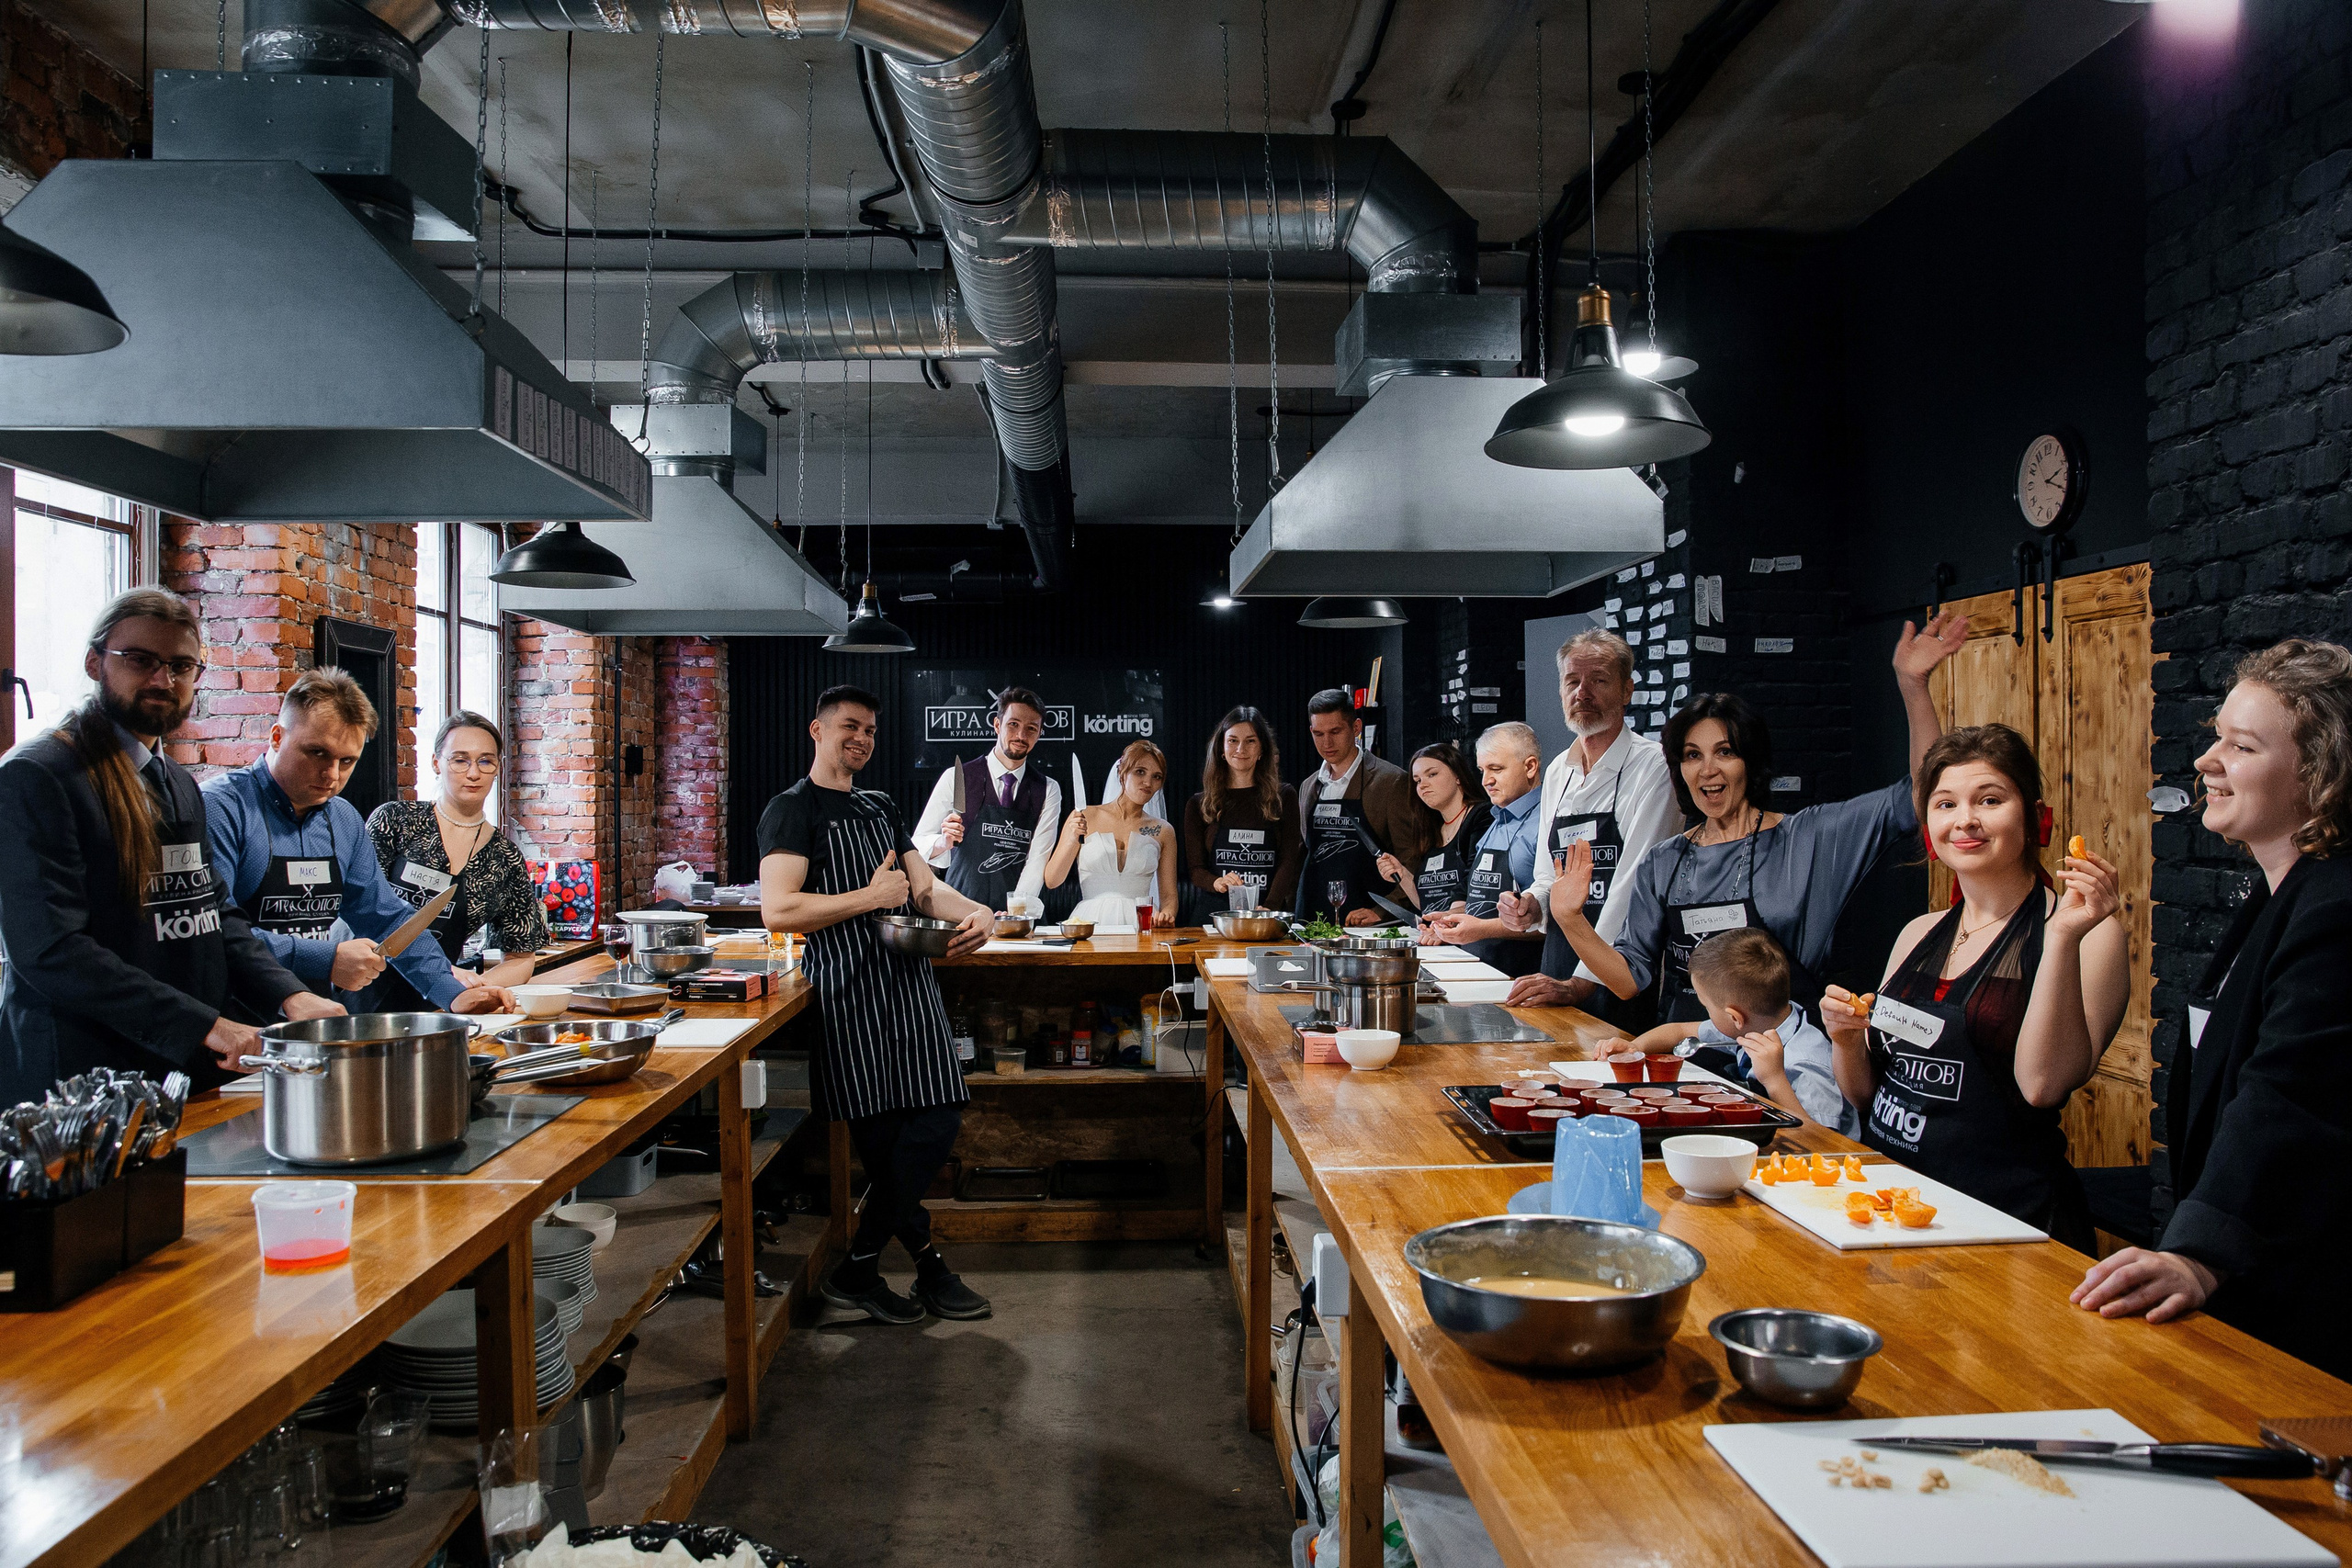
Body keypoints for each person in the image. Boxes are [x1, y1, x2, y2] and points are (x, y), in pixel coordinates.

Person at [2071, 640, 2352, 1377]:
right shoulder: (2276, 894)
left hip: (2309, 1308)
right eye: (2216, 736)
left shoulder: (2335, 906)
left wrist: (2199, 1254)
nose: (2206, 760)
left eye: (2242, 744)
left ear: (2321, 776)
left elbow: (2289, 1097)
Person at [0, 591, 342, 1103]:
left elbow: (214, 913)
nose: (164, 680)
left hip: (177, 1069)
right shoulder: (36, 775)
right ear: (95, 662)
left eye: (181, 665)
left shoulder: (179, 783)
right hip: (81, 1083)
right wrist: (207, 1025)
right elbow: (51, 951)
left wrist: (289, 993)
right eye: (141, 660)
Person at [1550, 614, 1965, 1024]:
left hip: (1780, 1064)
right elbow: (1627, 981)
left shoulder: (1806, 839)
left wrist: (1913, 687)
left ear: (1750, 761)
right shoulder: (1664, 861)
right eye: (1693, 755)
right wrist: (1570, 919)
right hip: (1687, 1055)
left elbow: (1920, 796)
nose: (1707, 769)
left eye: (1725, 752)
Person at [1810, 725, 2125, 1246]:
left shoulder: (2086, 935)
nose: (1966, 821)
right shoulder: (1918, 932)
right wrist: (1844, 1037)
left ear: (2032, 815)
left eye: (1990, 800)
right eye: (1946, 804)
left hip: (2008, 1223)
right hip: (1894, 1207)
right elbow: (1869, 1094)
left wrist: (2064, 936)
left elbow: (2043, 1086)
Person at [759, 683, 995, 1325]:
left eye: (869, 729)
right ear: (817, 729)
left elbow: (922, 890)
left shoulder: (881, 804)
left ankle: (861, 1264)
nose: (861, 737)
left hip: (910, 984)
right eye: (849, 726)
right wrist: (868, 897)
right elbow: (778, 908)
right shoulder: (791, 810)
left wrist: (979, 912)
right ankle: (926, 1265)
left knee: (939, 1119)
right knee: (888, 1141)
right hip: (848, 994)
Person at [201, 669, 514, 1017]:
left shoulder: (343, 819)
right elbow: (212, 932)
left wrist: (450, 992)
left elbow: (386, 917)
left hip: (317, 1019)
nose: (332, 775)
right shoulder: (220, 808)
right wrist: (326, 957)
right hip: (232, 1021)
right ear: (277, 737)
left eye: (346, 761)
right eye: (317, 753)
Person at [1500, 629, 1680, 1020]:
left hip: (1620, 968)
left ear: (1627, 690)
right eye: (1572, 682)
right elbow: (1549, 875)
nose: (1582, 693)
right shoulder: (1557, 772)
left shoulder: (1654, 767)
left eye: (1598, 680)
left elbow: (1633, 886)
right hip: (1560, 963)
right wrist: (1532, 907)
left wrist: (1582, 982)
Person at [364, 711, 548, 1004]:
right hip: (365, 994)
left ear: (497, 768)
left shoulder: (505, 857)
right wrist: (441, 972)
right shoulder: (395, 822)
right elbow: (359, 912)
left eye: (485, 761)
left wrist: (476, 985)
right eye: (460, 759)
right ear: (436, 763)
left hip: (443, 1005)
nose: (473, 773)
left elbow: (521, 957)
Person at [1607, 928, 1856, 1136]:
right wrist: (1635, 1048)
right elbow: (1679, 1030)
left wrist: (1774, 1079)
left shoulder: (1806, 1063)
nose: (1706, 1014)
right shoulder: (1761, 1024)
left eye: (1706, 1006)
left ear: (1735, 1017)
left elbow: (1821, 1143)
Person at [913, 685, 1060, 914]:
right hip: (959, 910)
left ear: (1040, 733)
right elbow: (918, 843)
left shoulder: (1048, 789)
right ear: (997, 725)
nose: (1021, 736)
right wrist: (943, 842)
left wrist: (1016, 911)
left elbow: (1037, 859)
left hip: (1012, 915)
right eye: (1014, 725)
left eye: (1031, 728)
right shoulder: (957, 776)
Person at [1297, 688, 1431, 925]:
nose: (1326, 742)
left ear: (1356, 728)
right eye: (1318, 733)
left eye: (1335, 732)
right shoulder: (1309, 786)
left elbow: (1412, 857)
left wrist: (1382, 911)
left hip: (1368, 925)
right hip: (1313, 918)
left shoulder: (1391, 781)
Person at [1421, 723, 1546, 976]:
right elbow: (1479, 902)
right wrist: (1449, 921)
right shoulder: (1495, 822)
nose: (1486, 781)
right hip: (1477, 970)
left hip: (1520, 976)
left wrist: (1480, 929)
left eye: (1496, 770)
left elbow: (1553, 922)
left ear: (1530, 767)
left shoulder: (1546, 823)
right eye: (1482, 770)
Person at [1046, 739, 1179, 929]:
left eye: (1156, 776)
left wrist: (1166, 915)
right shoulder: (1085, 816)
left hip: (1143, 925)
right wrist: (1070, 840)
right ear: (1121, 773)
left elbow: (1169, 897)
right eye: (1140, 771)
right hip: (1090, 924)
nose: (1148, 782)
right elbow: (1052, 880)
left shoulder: (1163, 831)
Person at [1182, 706, 1305, 909]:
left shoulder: (1284, 796)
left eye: (1250, 741)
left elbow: (1288, 862)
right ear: (1221, 748)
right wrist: (1216, 882)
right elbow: (1196, 870)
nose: (1241, 749)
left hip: (1265, 913)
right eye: (1233, 741)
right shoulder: (1198, 804)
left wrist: (1269, 907)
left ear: (1261, 749)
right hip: (1215, 915)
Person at [1374, 742, 1490, 930]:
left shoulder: (1481, 816)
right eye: (1417, 780)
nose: (1423, 785)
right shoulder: (1431, 829)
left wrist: (1447, 918)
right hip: (1436, 937)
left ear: (1458, 776)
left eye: (1432, 774)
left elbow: (1475, 885)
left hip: (1469, 938)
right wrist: (1402, 874)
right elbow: (1426, 904)